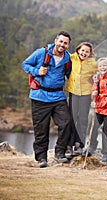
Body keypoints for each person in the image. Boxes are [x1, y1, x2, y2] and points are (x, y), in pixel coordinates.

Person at [21, 31, 73, 168]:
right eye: (60, 41)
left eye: (65, 43)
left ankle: (60, 153)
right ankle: (41, 158)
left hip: (58, 97)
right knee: (41, 129)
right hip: (40, 96)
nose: (62, 44)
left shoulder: (67, 59)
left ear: (68, 45)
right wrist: (37, 71)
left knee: (66, 122)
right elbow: (25, 64)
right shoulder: (41, 53)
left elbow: (71, 76)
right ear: (56, 40)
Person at [66, 42, 99, 156]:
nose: (84, 53)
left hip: (86, 94)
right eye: (82, 50)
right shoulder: (71, 57)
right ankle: (68, 145)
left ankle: (79, 144)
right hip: (73, 92)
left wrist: (97, 76)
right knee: (72, 118)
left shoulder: (93, 63)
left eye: (87, 51)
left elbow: (103, 69)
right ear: (78, 50)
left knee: (83, 119)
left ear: (90, 54)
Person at [90, 57, 107, 162]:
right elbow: (94, 91)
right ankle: (91, 146)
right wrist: (93, 96)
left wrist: (100, 103)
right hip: (98, 108)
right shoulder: (97, 78)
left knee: (106, 130)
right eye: (100, 66)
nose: (102, 68)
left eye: (105, 65)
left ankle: (106, 152)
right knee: (92, 127)